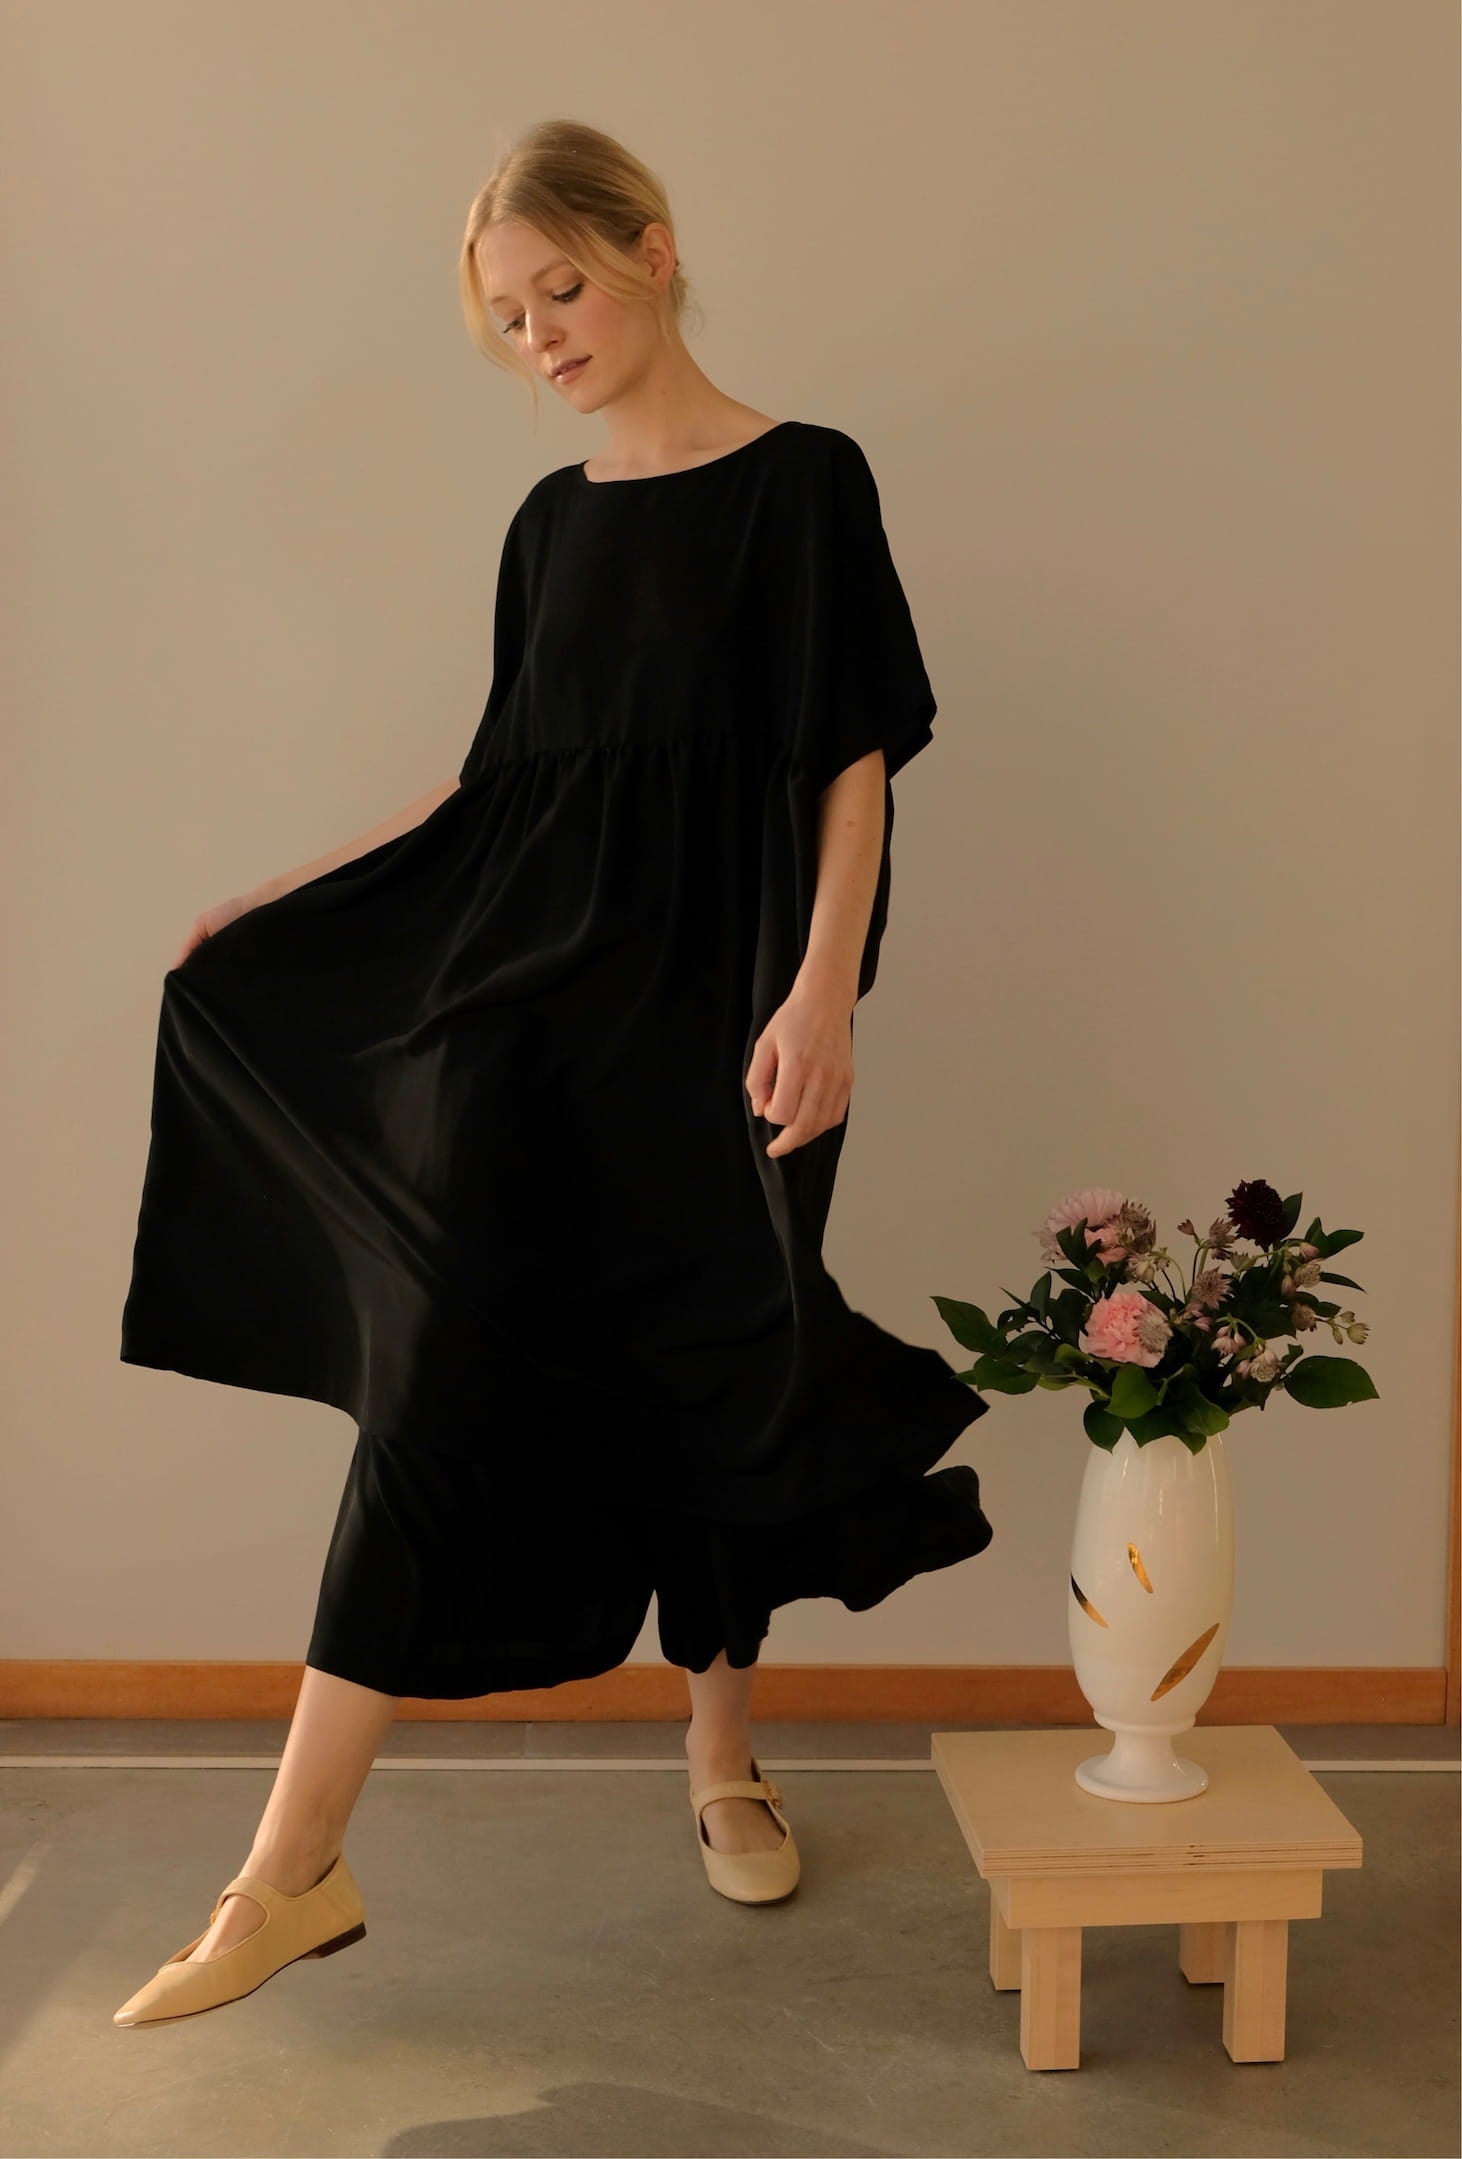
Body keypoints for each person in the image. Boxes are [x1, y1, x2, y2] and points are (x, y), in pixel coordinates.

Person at [111, 118, 993, 2028]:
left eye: (560, 291)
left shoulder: (802, 484)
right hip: (539, 990)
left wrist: (825, 990)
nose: (539, 339)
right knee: (439, 1362)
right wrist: (282, 897)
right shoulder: (549, 522)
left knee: (720, 1335)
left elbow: (851, 755)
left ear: (651, 250)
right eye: (507, 322)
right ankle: (292, 1866)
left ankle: (718, 1754)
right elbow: (499, 779)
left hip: (735, 995)